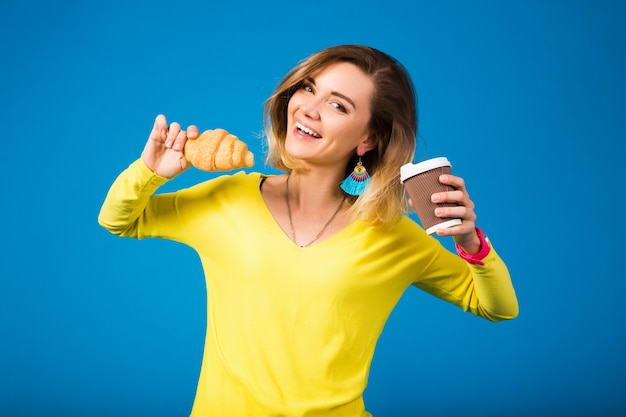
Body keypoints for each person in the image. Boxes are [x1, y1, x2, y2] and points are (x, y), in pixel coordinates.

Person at [98, 44, 518, 417]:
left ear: (368, 138)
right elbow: (120, 219)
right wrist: (150, 172)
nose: (309, 108)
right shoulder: (228, 198)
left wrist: (469, 241)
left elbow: (496, 306)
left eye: (338, 105)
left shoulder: (392, 235)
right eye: (308, 88)